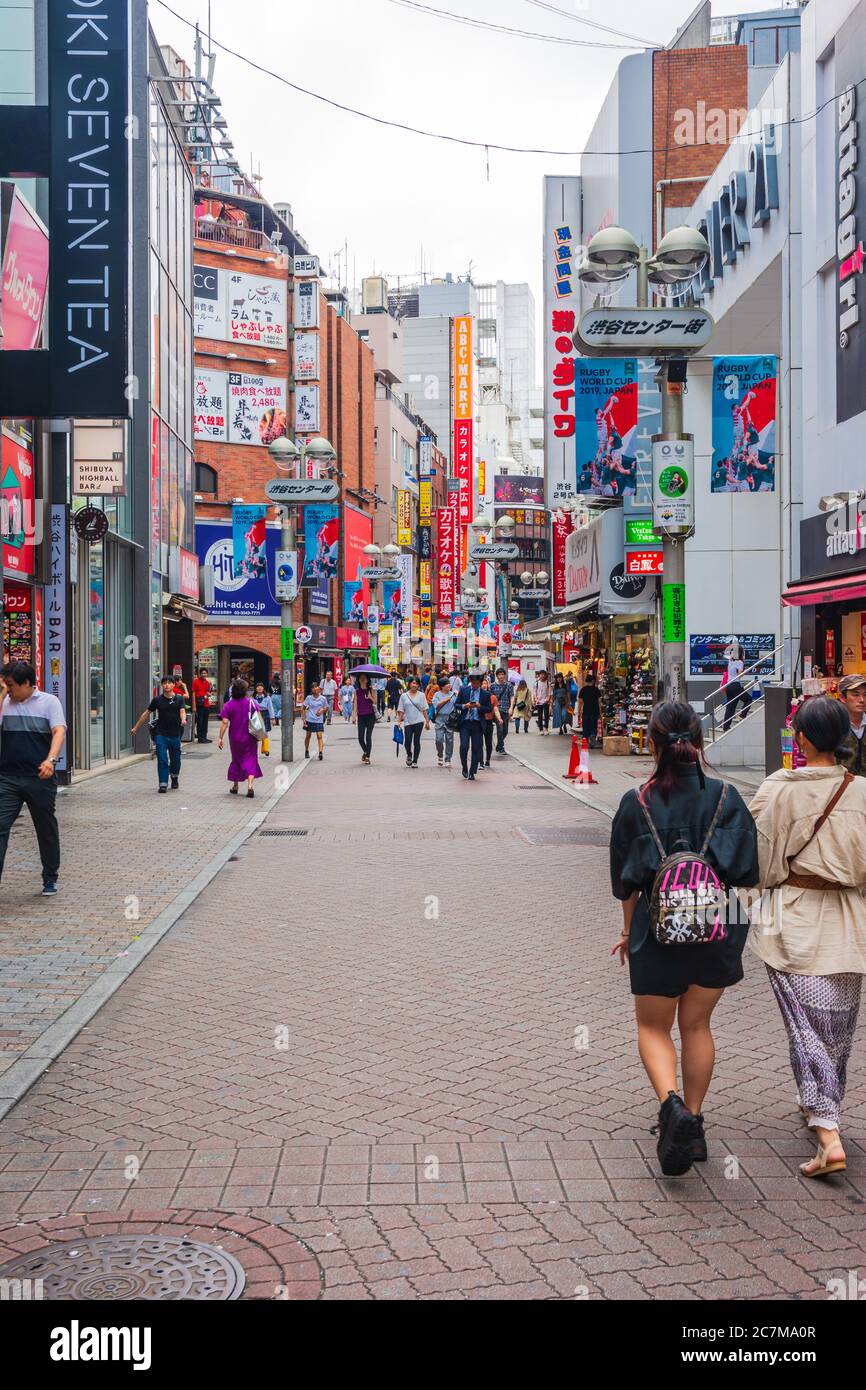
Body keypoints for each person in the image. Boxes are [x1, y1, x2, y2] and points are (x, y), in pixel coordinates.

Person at [609, 701, 758, 1176]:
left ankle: (669, 1107)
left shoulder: (636, 802)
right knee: (697, 1026)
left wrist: (626, 930)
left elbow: (625, 882)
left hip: (656, 930)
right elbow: (746, 871)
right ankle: (693, 1122)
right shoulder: (726, 796)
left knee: (653, 1027)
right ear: (699, 738)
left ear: (653, 743)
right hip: (715, 928)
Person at [748, 695, 866, 1178]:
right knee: (836, 1031)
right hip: (852, 922)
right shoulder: (862, 791)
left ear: (800, 739)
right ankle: (819, 1104)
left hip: (794, 919)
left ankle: (827, 1129)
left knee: (806, 1029)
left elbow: (759, 861)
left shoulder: (780, 788)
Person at [0, 660, 66, 895]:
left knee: (45, 827)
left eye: (11, 686)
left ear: (26, 683)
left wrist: (51, 760)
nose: (9, 690)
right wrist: (3, 694)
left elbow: (59, 731)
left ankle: (50, 876)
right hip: (7, 777)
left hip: (39, 777)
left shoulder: (49, 702)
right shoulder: (5, 703)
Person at [132, 674, 187, 794]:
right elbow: (146, 713)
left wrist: (183, 719)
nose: (166, 685)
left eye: (169, 682)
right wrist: (136, 727)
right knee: (162, 759)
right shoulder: (157, 700)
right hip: (160, 733)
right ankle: (163, 783)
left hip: (175, 734)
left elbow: (182, 711)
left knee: (175, 759)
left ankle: (174, 776)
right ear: (162, 685)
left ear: (174, 684)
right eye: (164, 683)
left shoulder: (179, 698)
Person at [219, 678, 263, 795]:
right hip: (251, 736)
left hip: (235, 737)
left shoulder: (229, 705)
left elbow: (224, 722)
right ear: (245, 691)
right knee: (251, 759)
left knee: (236, 760)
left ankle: (235, 785)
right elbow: (259, 718)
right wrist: (263, 736)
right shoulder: (252, 703)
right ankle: (250, 786)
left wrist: (220, 738)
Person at [455, 670, 492, 780]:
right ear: (470, 681)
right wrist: (464, 706)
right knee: (464, 746)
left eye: (477, 683)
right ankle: (464, 767)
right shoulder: (464, 690)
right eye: (473, 682)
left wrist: (480, 706)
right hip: (465, 723)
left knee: (476, 748)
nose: (475, 685)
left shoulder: (486, 694)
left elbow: (489, 709)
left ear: (480, 683)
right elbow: (456, 705)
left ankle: (472, 771)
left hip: (478, 724)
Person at [836, 673, 866, 776]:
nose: (862, 700)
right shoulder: (835, 726)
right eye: (856, 694)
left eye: (865, 694)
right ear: (843, 698)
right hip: (842, 788)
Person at [397, 677, 430, 767]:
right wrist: (399, 721)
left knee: (416, 741)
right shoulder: (404, 696)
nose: (414, 685)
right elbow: (401, 710)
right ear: (409, 684)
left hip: (419, 721)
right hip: (408, 721)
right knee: (407, 741)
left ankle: (415, 761)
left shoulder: (422, 695)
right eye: (413, 683)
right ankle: (409, 754)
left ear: (418, 685)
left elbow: (424, 709)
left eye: (416, 683)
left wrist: (427, 721)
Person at [430, 673, 457, 767]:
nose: (449, 685)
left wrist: (458, 695)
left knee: (449, 740)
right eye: (447, 684)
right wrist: (448, 699)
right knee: (439, 739)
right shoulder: (437, 695)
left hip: (450, 718)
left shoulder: (454, 694)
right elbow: (436, 705)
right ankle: (440, 755)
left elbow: (458, 704)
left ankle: (448, 759)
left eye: (449, 683)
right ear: (442, 686)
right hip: (439, 718)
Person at [722, 644, 750, 731]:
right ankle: (742, 715)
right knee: (748, 699)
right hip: (735, 685)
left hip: (728, 686)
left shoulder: (730, 661)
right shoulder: (740, 662)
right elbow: (739, 675)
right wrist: (746, 671)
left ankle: (726, 726)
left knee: (730, 707)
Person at [351, 672, 377, 764]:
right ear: (358, 680)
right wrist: (353, 717)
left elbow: (375, 702)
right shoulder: (356, 691)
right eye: (360, 678)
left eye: (364, 678)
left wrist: (370, 697)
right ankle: (366, 752)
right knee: (360, 738)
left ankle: (367, 757)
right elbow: (355, 705)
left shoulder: (372, 690)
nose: (362, 679)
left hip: (370, 716)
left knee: (368, 737)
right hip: (361, 716)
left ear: (367, 680)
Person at [490, 668, 515, 754]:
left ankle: (498, 745)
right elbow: (490, 698)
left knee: (505, 730)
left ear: (504, 675)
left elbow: (512, 697)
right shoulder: (492, 686)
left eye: (502, 674)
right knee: (500, 729)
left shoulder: (509, 685)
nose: (501, 676)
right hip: (497, 710)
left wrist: (511, 708)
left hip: (506, 709)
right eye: (499, 674)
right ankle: (501, 747)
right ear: (496, 676)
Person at [302, 682, 329, 760]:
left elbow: (326, 708)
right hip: (309, 719)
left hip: (319, 720)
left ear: (319, 688)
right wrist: (303, 719)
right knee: (308, 736)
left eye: (316, 686)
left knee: (319, 736)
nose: (315, 688)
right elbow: (303, 708)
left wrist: (322, 711)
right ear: (311, 690)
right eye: (313, 687)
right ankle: (306, 750)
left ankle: (320, 752)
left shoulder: (323, 698)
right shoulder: (308, 698)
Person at [578, 672, 601, 747]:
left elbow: (580, 702)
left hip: (586, 711)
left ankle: (585, 740)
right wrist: (600, 712)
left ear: (586, 681)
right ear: (593, 681)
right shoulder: (596, 689)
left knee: (585, 726)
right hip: (595, 711)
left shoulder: (583, 690)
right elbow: (599, 702)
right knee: (593, 726)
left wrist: (579, 711)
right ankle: (592, 739)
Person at [252, 681, 276, 756]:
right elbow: (250, 708)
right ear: (256, 689)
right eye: (258, 687)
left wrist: (272, 718)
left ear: (263, 688)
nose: (259, 688)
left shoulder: (267, 697)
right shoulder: (252, 698)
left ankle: (265, 750)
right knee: (256, 733)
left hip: (265, 714)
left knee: (265, 732)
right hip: (256, 715)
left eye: (261, 687)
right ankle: (254, 751)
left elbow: (270, 708)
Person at [191, 667, 213, 743]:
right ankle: (200, 738)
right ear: (200, 674)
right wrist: (194, 706)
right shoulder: (196, 682)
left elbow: (207, 692)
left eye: (205, 673)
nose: (204, 674)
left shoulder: (207, 682)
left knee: (205, 721)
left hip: (206, 704)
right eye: (202, 673)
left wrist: (209, 694)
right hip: (199, 704)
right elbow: (193, 694)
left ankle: (204, 737)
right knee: (200, 721)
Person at [533, 670, 552, 734]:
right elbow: (534, 692)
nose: (542, 675)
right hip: (539, 702)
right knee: (540, 716)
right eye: (541, 674)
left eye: (544, 674)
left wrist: (548, 698)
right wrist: (536, 699)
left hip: (546, 701)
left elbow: (550, 693)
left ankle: (546, 729)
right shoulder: (536, 683)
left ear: (545, 675)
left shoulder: (548, 683)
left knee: (546, 716)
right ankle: (541, 730)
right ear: (539, 675)